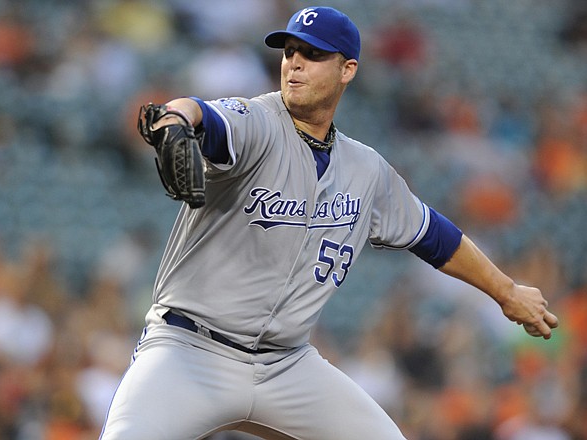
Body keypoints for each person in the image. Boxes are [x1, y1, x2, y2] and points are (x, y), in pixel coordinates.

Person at [99, 7, 559, 440]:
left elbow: (435, 236)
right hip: (189, 352)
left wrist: (507, 292)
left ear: (348, 69)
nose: (295, 64)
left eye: (313, 54)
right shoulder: (258, 121)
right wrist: (178, 117)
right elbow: (203, 114)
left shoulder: (366, 169)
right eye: (289, 52)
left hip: (287, 366)